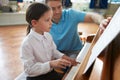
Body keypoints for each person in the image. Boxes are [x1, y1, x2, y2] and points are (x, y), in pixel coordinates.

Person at [18, 2, 78, 80]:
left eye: (51, 19)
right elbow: (29, 70)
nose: (51, 23)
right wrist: (50, 64)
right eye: (47, 20)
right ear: (34, 23)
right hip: (36, 77)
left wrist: (65, 57)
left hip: (49, 72)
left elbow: (54, 51)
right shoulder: (27, 44)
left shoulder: (48, 36)